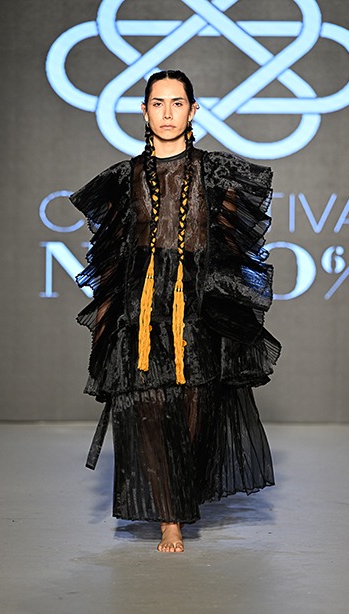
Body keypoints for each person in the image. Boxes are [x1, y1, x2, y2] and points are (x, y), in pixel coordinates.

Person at [70, 70, 281, 553]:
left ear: (193, 109)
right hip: (140, 307)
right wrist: (107, 321)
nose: (168, 113)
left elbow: (235, 249)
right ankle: (170, 518)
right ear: (144, 112)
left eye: (177, 103)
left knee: (194, 408)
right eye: (158, 104)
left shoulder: (219, 173)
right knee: (145, 406)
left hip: (197, 305)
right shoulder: (121, 179)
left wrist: (231, 312)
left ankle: (182, 499)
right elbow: (111, 256)